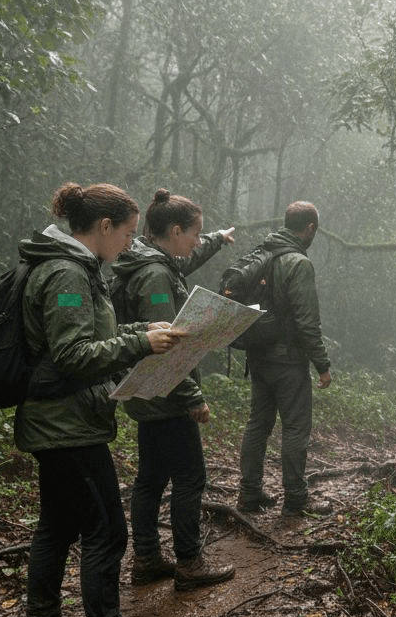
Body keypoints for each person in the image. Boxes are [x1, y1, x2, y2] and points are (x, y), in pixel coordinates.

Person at [16, 181, 181, 617]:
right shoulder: (67, 273)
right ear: (104, 227)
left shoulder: (71, 266)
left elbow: (93, 338)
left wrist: (142, 333)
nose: (131, 243)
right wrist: (139, 347)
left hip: (60, 421)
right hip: (68, 426)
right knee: (107, 531)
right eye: (128, 233)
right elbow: (71, 356)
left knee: (58, 526)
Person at [111, 189, 237, 590]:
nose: (197, 243)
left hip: (148, 393)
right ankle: (189, 561)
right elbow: (168, 346)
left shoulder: (152, 261)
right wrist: (192, 398)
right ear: (176, 230)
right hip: (164, 393)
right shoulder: (157, 275)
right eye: (196, 234)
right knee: (189, 476)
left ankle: (147, 559)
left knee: (150, 477)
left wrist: (217, 238)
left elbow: (190, 259)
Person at [235, 201, 332, 517]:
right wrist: (322, 365)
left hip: (258, 355)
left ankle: (249, 495)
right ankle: (295, 499)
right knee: (294, 428)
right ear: (310, 229)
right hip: (288, 361)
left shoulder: (263, 253)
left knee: (258, 424)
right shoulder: (298, 264)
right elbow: (307, 322)